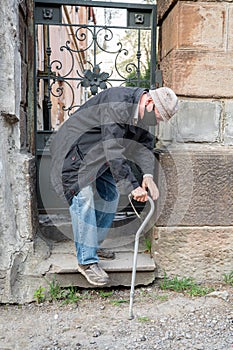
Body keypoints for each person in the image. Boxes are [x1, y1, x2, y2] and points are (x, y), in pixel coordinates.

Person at [50, 86, 178, 286]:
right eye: (159, 117)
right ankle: (86, 261)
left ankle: (91, 245)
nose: (157, 122)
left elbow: (143, 145)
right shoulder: (118, 103)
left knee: (110, 196)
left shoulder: (142, 114)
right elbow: (113, 148)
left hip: (99, 155)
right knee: (83, 198)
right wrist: (132, 186)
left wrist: (147, 175)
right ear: (149, 103)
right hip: (74, 151)